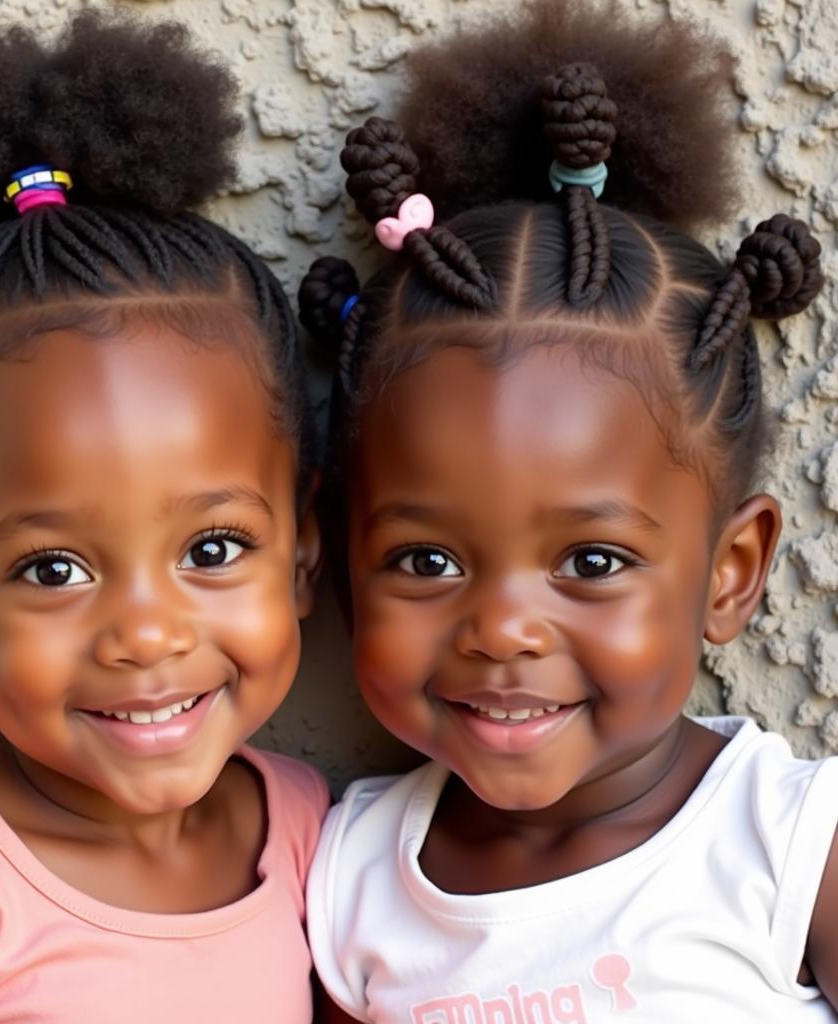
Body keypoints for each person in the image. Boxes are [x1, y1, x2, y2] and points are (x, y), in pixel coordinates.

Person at [298, 2, 834, 1020]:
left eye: (590, 560)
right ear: (335, 561)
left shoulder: (789, 841)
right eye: (424, 560)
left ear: (730, 570)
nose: (501, 626)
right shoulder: (349, 878)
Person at [0, 12, 327, 1022]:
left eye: (212, 548)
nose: (144, 633)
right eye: (54, 569)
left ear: (301, 558)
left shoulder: (309, 835)